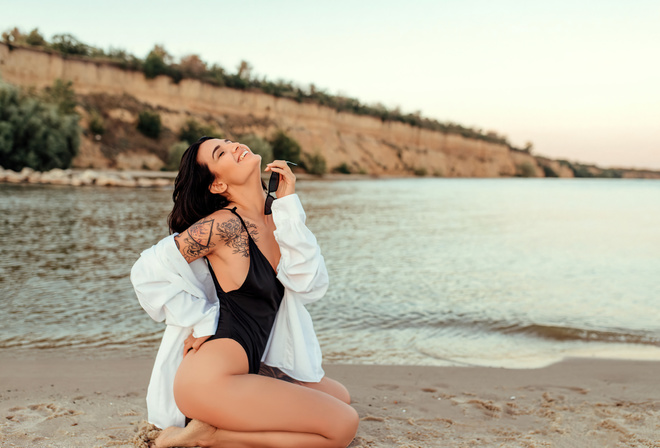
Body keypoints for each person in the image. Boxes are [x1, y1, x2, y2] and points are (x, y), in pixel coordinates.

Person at [131, 136, 359, 448]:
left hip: (250, 364)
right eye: (220, 152)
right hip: (210, 378)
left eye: (229, 141)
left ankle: (220, 427)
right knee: (342, 426)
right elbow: (146, 271)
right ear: (216, 185)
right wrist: (200, 320)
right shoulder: (226, 225)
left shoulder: (276, 217)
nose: (234, 146)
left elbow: (309, 283)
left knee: (340, 397)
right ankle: (209, 435)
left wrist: (288, 204)